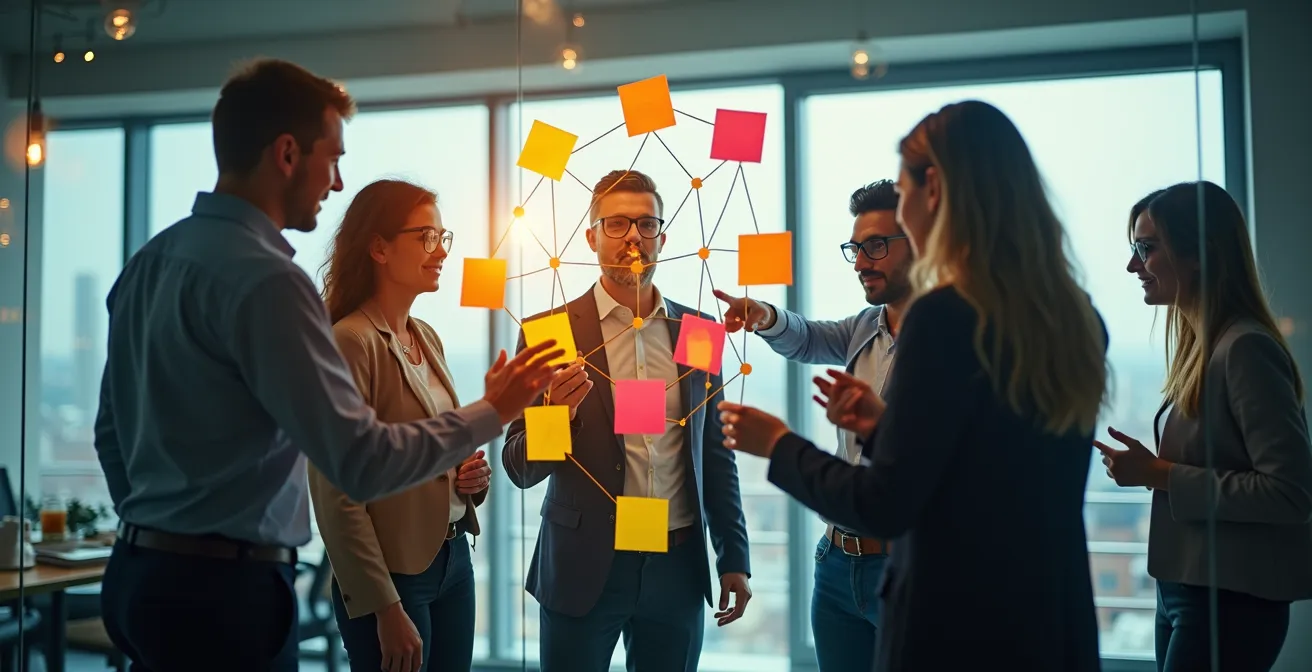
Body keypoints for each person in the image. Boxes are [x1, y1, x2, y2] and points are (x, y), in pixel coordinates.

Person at [93, 60, 563, 671]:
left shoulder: (149, 262)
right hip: (225, 595)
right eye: (333, 159)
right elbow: (358, 464)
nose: (337, 183)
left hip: (140, 573)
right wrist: (495, 409)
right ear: (287, 154)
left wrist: (160, 534)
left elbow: (110, 436)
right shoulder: (268, 281)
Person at [717, 100, 1107, 671]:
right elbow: (992, 472)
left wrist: (777, 443)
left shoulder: (945, 316)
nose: (865, 255)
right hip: (1047, 619)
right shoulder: (1075, 315)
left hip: (954, 620)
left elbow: (886, 504)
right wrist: (884, 429)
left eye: (901, 192)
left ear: (935, 191)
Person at [501, 169, 753, 672]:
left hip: (676, 567)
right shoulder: (550, 333)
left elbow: (715, 456)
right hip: (584, 564)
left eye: (645, 223)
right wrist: (557, 416)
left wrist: (735, 560)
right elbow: (519, 468)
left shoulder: (698, 331)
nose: (633, 236)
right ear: (591, 236)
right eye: (616, 224)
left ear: (663, 236)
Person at [1098, 181, 1312, 672]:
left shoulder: (1244, 349)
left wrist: (1160, 474)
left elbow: (1290, 493)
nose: (1133, 266)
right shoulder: (1206, 347)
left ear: (1198, 253)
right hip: (1185, 591)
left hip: (1228, 601)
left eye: (1145, 249)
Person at [714, 179, 909, 671]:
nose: (862, 261)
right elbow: (805, 338)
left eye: (876, 246)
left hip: (902, 564)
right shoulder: (867, 325)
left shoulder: (949, 340)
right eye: (855, 248)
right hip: (837, 563)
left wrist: (779, 445)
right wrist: (764, 316)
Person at [307, 179, 494, 672]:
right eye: (425, 237)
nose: (440, 253)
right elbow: (335, 492)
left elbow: (423, 452)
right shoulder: (350, 341)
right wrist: (383, 607)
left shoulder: (425, 335)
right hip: (392, 578)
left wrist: (465, 479)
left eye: (442, 238)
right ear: (379, 248)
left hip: (454, 558)